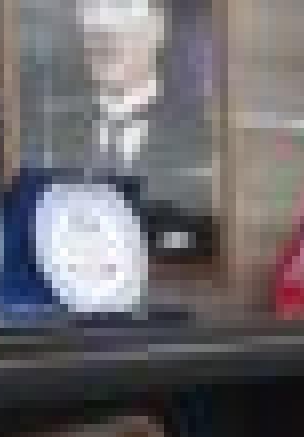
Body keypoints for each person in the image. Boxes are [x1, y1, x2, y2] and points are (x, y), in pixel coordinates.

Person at [61, 0, 215, 259]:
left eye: (122, 6)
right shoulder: (50, 133)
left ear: (160, 26)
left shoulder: (206, 137)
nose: (104, 27)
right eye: (91, 6)